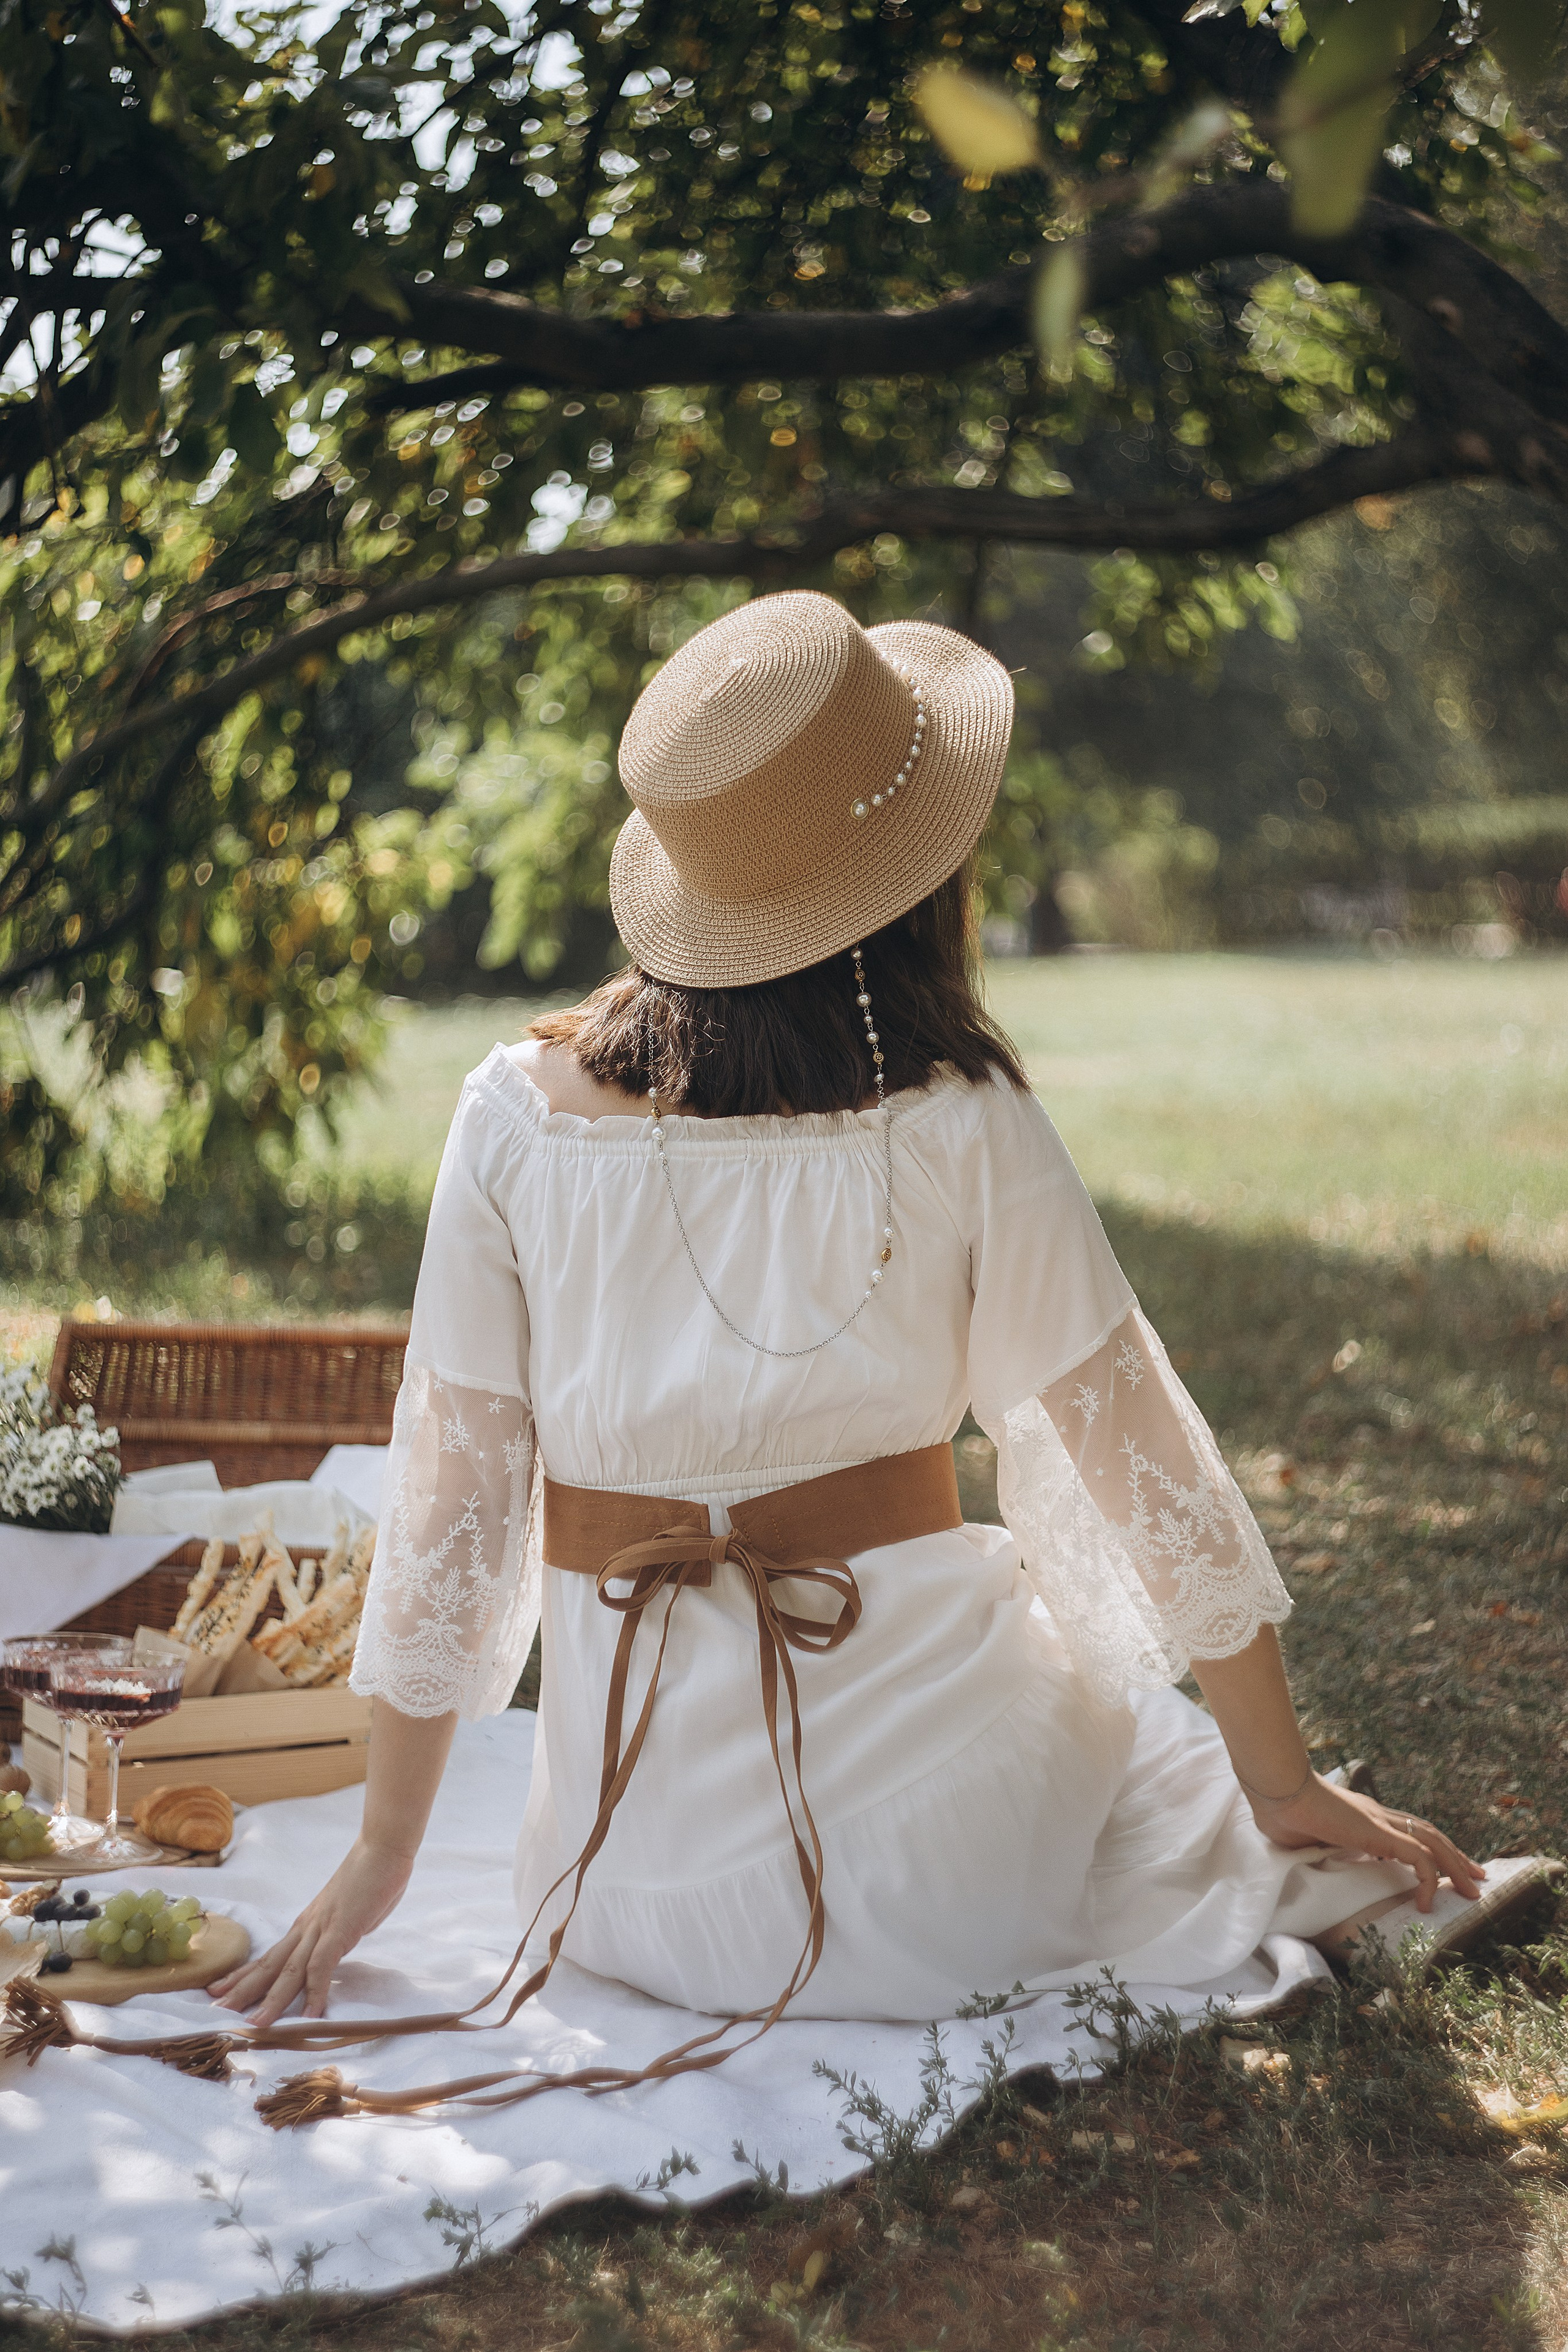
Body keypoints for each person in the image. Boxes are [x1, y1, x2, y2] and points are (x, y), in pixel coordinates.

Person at [213, 590, 1550, 2061]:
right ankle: (1301, 1867)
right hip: (930, 1896)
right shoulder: (961, 1117)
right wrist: (1283, 1776)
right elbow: (1131, 1452)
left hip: (611, 1889)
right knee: (1131, 1731)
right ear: (910, 876)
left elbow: (451, 1508)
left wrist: (384, 1854)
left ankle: (1273, 1850)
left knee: (1109, 1732)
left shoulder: (509, 1122)